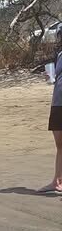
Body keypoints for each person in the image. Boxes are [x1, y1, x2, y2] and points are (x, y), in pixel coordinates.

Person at [38, 28, 62, 195]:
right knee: (60, 144)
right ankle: (57, 181)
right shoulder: (59, 54)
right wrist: (50, 78)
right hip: (58, 101)